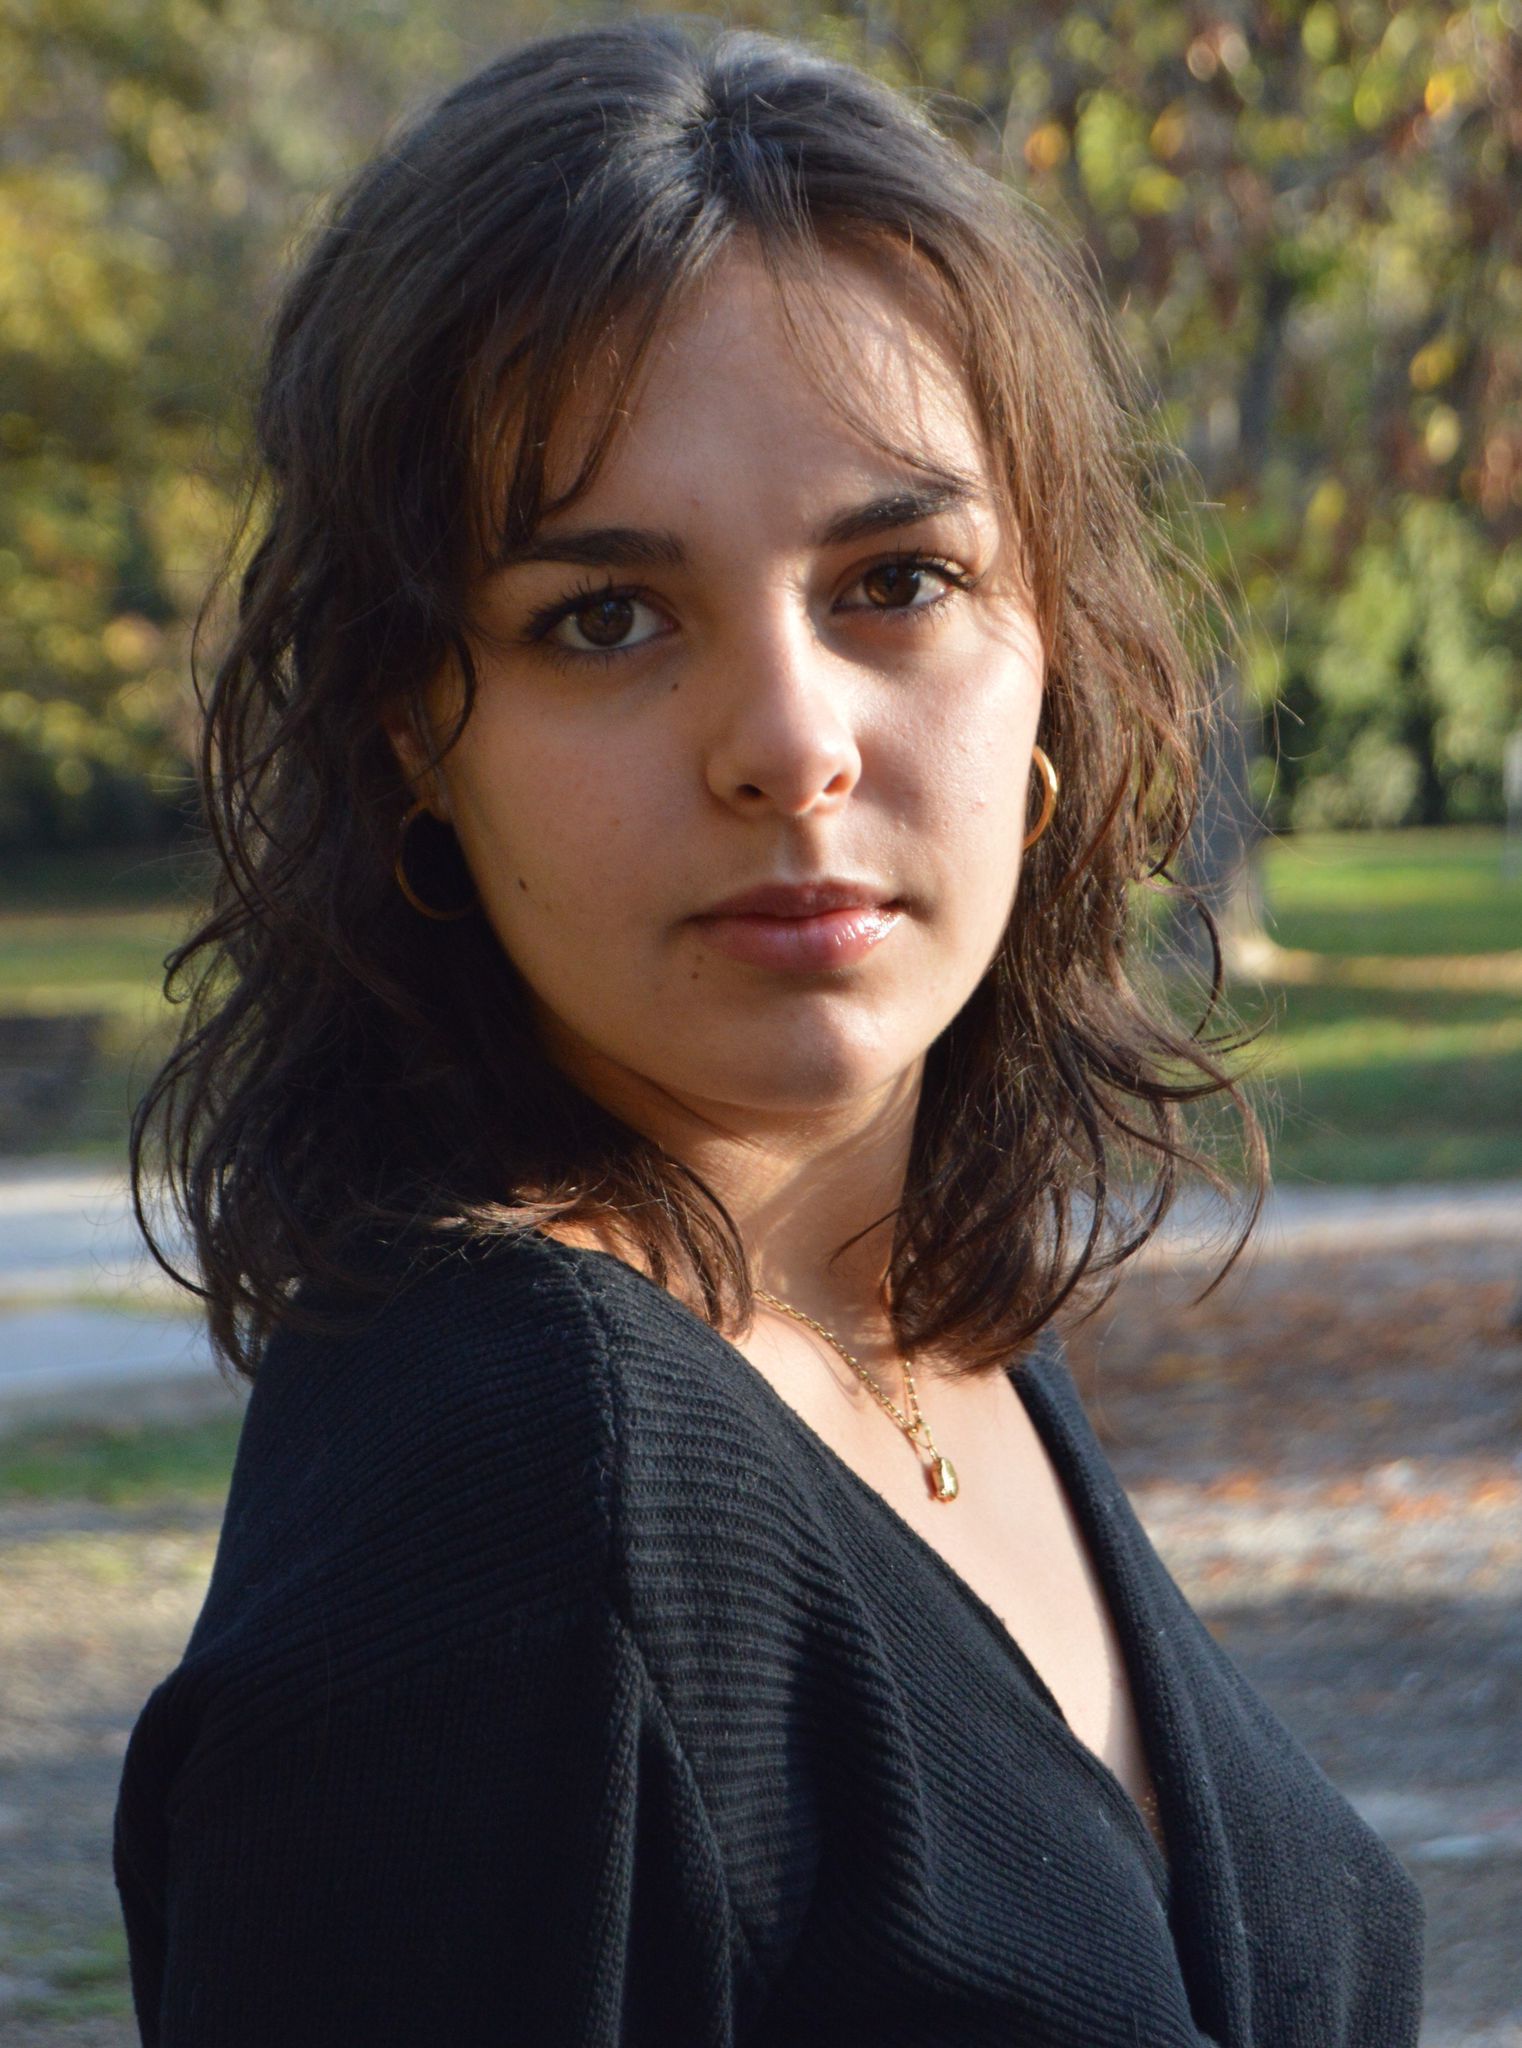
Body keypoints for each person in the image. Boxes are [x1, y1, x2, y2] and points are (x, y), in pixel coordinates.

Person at [112, 17, 1424, 2045]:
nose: (791, 744)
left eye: (896, 578)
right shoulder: (519, 1493)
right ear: (411, 737)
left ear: (1049, 658)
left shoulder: (911, 1313)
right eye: (603, 618)